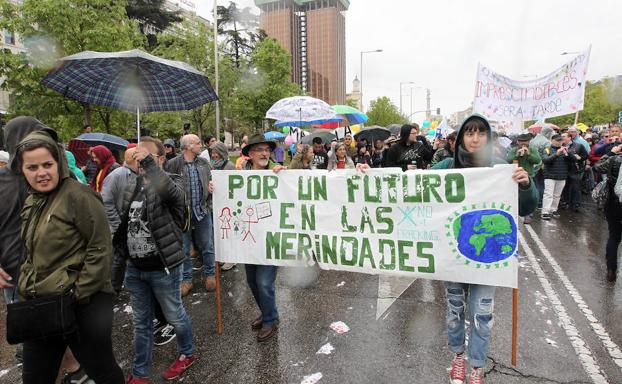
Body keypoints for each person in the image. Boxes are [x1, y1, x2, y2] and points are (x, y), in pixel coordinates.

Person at [13, 130, 124, 384]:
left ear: (59, 164)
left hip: (83, 304)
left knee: (103, 371)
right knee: (35, 376)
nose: (41, 173)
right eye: (32, 167)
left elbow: (101, 248)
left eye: (47, 165)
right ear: (22, 170)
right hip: (42, 304)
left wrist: (77, 294)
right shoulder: (33, 201)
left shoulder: (79, 196)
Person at [432, 114, 537, 384]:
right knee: (455, 309)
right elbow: (412, 192)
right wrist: (372, 177)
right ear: (460, 139)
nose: (475, 139)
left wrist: (525, 185)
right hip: (454, 256)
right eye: (469, 133)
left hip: (487, 259)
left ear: (488, 137)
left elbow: (526, 207)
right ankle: (458, 356)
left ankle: (477, 365)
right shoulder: (445, 166)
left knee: (481, 314)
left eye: (480, 133)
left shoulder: (502, 167)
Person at [119, 137, 196, 383]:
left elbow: (172, 196)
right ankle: (140, 373)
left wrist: (150, 165)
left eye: (146, 155)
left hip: (163, 268)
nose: (139, 159)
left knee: (174, 315)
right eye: (137, 155)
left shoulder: (173, 182)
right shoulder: (133, 186)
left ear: (160, 159)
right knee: (141, 324)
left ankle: (187, 352)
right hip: (136, 269)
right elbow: (125, 228)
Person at [241, 133, 286, 342]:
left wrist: (283, 176)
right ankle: (267, 312)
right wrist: (216, 189)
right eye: (259, 150)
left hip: (271, 239)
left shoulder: (276, 174)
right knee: (252, 281)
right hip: (249, 239)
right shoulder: (239, 176)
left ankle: (270, 320)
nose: (265, 153)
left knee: (264, 283)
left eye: (267, 150)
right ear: (250, 154)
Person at [166, 134, 216, 295]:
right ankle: (186, 280)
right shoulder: (173, 164)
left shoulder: (204, 163)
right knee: (184, 248)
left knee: (207, 245)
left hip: (202, 211)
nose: (201, 145)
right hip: (182, 214)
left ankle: (210, 275)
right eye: (197, 143)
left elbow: (211, 181)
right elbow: (167, 187)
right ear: (188, 146)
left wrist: (211, 189)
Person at [209, 141, 236, 271]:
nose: (214, 155)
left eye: (216, 152)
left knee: (228, 232)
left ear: (222, 153)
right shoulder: (213, 166)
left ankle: (231, 259)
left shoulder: (229, 166)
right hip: (216, 204)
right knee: (220, 233)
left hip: (228, 205)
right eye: (212, 152)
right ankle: (223, 256)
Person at [506, 133, 541, 224]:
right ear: (518, 142)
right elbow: (508, 160)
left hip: (528, 177)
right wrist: (516, 155)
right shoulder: (513, 150)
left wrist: (529, 154)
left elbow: (537, 160)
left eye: (525, 141)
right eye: (521, 141)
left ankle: (528, 215)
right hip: (515, 177)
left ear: (528, 142)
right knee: (514, 196)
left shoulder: (533, 149)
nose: (523, 143)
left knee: (528, 197)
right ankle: (513, 213)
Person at [540, 134, 571, 220]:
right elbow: (545, 160)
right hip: (549, 175)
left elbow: (572, 160)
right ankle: (545, 211)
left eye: (560, 140)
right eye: (557, 140)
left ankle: (553, 210)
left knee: (557, 195)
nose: (559, 142)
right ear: (552, 140)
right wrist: (556, 154)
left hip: (562, 175)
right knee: (548, 194)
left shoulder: (565, 150)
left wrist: (568, 153)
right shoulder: (547, 149)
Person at [561, 131, 588, 212]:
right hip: (564, 170)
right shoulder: (560, 146)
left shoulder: (579, 145)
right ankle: (565, 202)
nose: (562, 138)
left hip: (575, 170)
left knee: (576, 188)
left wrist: (580, 158)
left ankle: (576, 204)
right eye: (561, 136)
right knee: (565, 187)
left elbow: (586, 155)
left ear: (569, 137)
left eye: (564, 136)